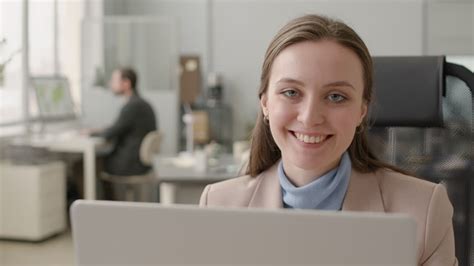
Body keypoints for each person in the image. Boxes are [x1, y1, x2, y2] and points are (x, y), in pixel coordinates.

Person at [199, 15, 457, 266]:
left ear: (361, 111)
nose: (310, 118)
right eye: (291, 92)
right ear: (265, 103)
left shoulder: (423, 210)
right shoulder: (218, 206)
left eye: (336, 97)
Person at [88, 67, 158, 176]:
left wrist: (91, 133)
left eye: (114, 80)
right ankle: (111, 193)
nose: (111, 84)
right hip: (140, 163)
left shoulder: (132, 106)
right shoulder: (141, 104)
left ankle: (100, 194)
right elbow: (119, 127)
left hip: (129, 164)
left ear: (126, 83)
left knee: (81, 166)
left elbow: (110, 133)